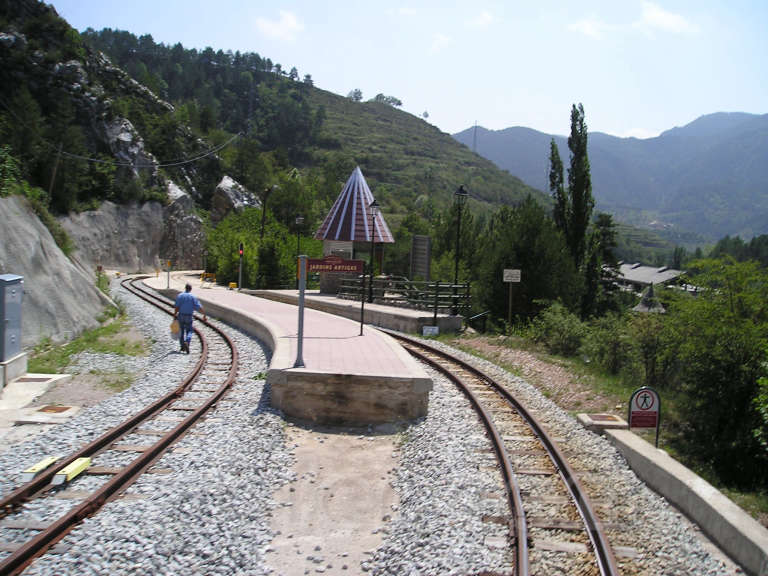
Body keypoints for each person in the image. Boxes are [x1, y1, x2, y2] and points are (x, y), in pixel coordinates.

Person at [174, 283, 207, 353]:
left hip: (181, 315)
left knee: (181, 331)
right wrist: (204, 315)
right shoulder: (193, 297)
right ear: (191, 289)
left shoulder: (180, 296)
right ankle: (187, 341)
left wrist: (175, 314)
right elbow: (199, 307)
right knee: (189, 330)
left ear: (185, 288)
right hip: (189, 316)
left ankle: (182, 345)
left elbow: (177, 307)